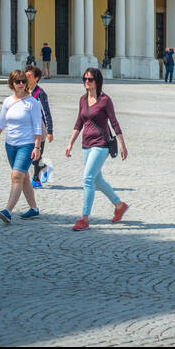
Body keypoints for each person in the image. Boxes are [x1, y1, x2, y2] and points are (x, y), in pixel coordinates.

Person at [64, 67, 129, 231]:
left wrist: (122, 144)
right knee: (97, 180)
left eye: (90, 79)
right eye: (85, 79)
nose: (87, 81)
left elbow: (114, 123)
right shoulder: (82, 100)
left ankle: (84, 219)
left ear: (97, 81)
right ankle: (119, 205)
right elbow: (79, 123)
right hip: (86, 144)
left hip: (101, 144)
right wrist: (70, 143)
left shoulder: (105, 100)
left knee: (87, 179)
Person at [0, 70, 45, 223]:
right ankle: (34, 209)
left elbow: (38, 127)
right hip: (10, 145)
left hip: (27, 145)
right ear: (12, 83)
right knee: (23, 177)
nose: (21, 84)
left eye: (23, 81)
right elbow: (0, 123)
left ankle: (7, 211)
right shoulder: (7, 101)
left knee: (16, 176)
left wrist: (37, 147)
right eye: (17, 81)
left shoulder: (33, 103)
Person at [25, 65, 54, 187]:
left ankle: (36, 179)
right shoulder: (24, 91)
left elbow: (46, 112)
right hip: (26, 128)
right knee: (28, 155)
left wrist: (49, 131)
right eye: (25, 75)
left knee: (36, 155)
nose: (26, 77)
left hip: (39, 127)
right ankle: (46, 168)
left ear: (36, 78)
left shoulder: (40, 93)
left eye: (29, 75)